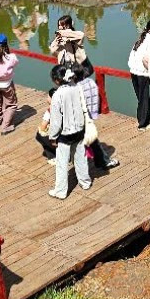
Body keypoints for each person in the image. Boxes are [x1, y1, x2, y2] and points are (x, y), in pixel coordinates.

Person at [46, 65, 92, 199]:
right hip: (79, 129)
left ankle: (60, 191)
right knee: (80, 158)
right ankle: (85, 182)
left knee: (62, 163)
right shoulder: (77, 88)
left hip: (65, 133)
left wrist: (53, 136)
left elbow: (55, 120)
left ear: (56, 80)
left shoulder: (58, 94)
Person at [127, 20, 150, 128]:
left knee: (140, 98)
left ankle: (143, 117)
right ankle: (143, 123)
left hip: (133, 71)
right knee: (145, 98)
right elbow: (146, 59)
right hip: (142, 73)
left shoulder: (140, 40)